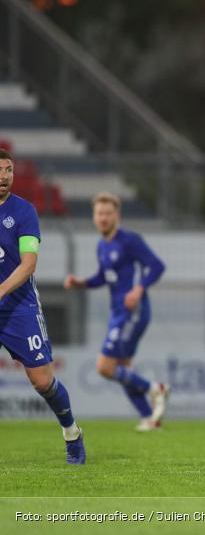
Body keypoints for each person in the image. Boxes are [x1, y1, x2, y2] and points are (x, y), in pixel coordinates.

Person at [0, 149, 85, 463]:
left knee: (43, 382)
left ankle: (71, 433)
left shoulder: (23, 211)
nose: (4, 176)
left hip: (19, 308)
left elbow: (28, 264)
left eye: (8, 170)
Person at [64, 192, 169, 432]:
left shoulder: (129, 240)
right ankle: (151, 418)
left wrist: (139, 289)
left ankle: (156, 389)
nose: (103, 218)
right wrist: (81, 282)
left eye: (108, 213)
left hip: (132, 311)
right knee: (123, 369)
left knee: (104, 367)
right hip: (118, 312)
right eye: (99, 214)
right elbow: (104, 277)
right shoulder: (102, 246)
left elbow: (157, 266)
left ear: (117, 215)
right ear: (94, 217)